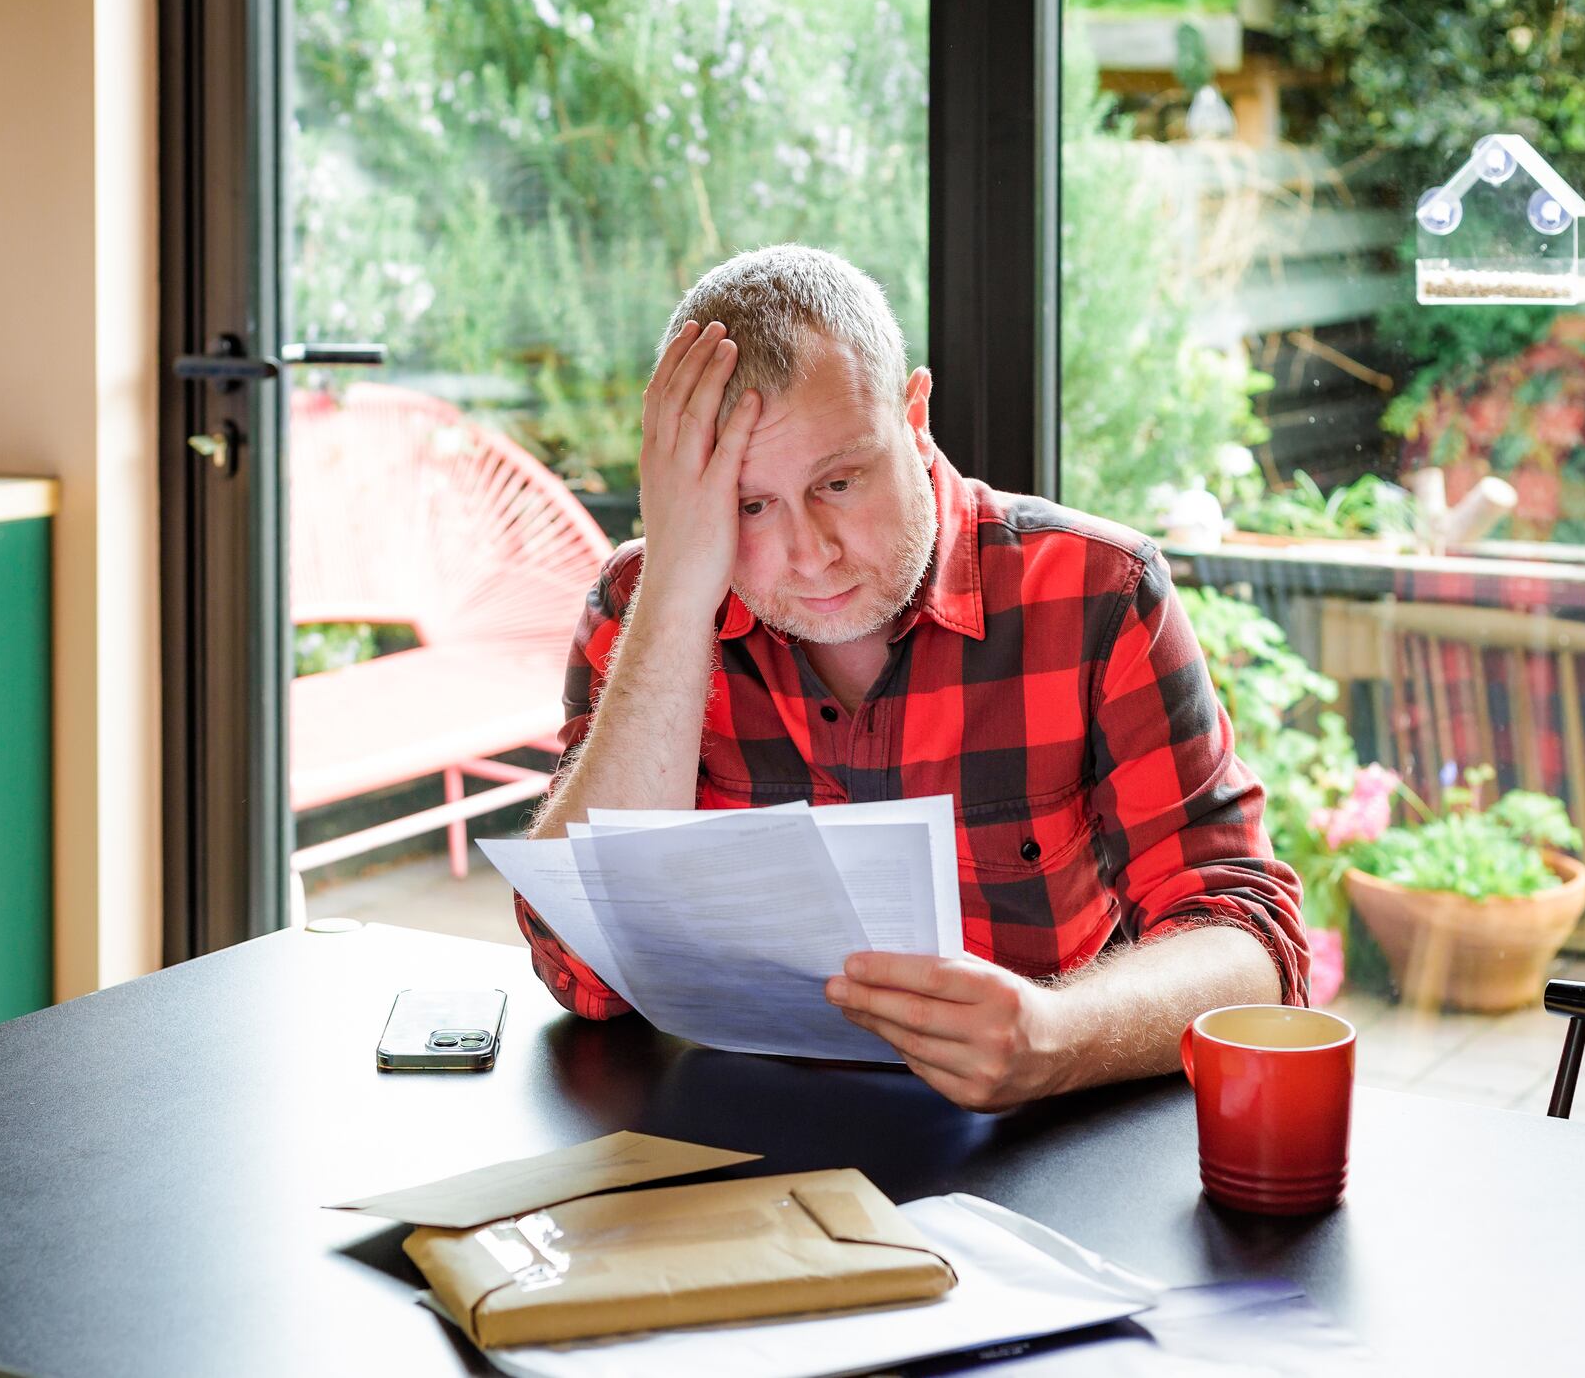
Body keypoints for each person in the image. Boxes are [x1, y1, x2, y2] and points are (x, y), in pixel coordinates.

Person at [516, 244, 1307, 1112]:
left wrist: (1055, 1035)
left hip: (1036, 1142)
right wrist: (674, 591)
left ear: (914, 414)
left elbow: (1250, 947)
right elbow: (578, 971)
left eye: (840, 481)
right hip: (734, 1140)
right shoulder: (642, 605)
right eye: (748, 504)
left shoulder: (1094, 593)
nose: (809, 554)